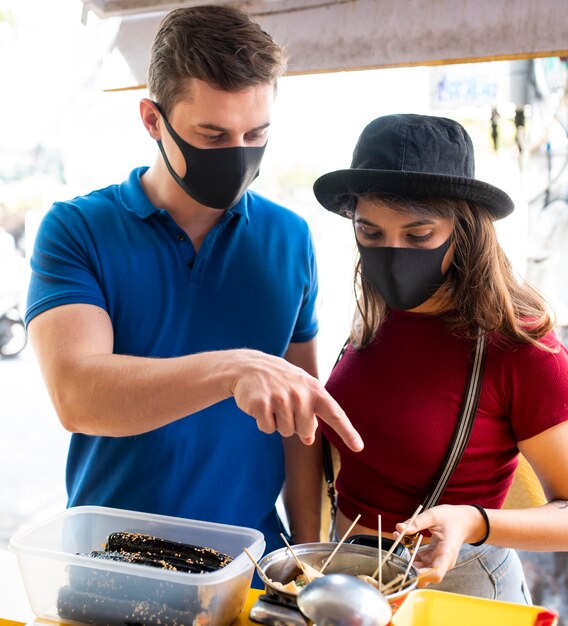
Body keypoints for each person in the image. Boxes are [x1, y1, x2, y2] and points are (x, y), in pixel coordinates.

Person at [25, 4, 362, 557]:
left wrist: (306, 561)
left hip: (249, 560)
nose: (238, 155)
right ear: (153, 120)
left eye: (256, 134)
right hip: (112, 559)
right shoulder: (77, 230)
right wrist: (233, 368)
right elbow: (77, 395)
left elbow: (299, 423)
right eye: (212, 134)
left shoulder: (289, 238)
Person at [313, 113, 568, 602]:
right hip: (352, 579)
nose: (391, 255)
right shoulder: (375, 316)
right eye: (370, 233)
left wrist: (473, 520)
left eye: (418, 236)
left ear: (465, 230)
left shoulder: (519, 348)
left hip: (457, 590)